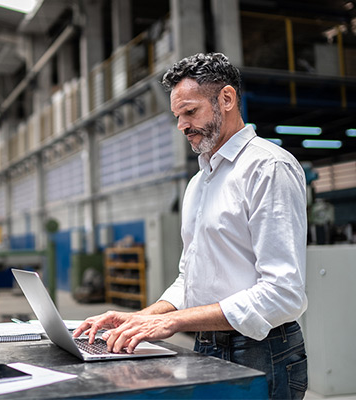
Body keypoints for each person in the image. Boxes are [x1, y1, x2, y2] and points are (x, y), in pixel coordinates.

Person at [73, 53, 308, 399]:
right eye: (177, 116)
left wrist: (173, 322)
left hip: (262, 351)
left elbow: (282, 294)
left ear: (226, 99)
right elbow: (190, 279)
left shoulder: (268, 168)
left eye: (190, 112)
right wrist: (141, 318)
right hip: (207, 343)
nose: (182, 125)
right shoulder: (201, 181)